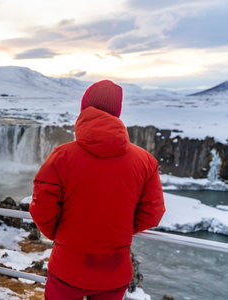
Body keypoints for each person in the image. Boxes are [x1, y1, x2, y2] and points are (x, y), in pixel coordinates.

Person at [29, 80, 165, 300]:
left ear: (84, 108)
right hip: (114, 271)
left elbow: (41, 208)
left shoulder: (62, 156)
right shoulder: (145, 161)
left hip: (68, 267)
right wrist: (117, 232)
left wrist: (61, 236)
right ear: (117, 112)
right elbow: (153, 213)